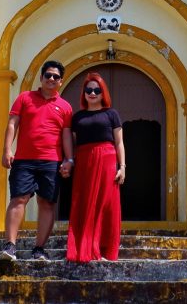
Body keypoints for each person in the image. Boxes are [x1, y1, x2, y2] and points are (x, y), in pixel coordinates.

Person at [0, 61, 74, 261]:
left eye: (56, 77)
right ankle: (10, 246)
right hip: (24, 159)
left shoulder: (65, 107)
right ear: (41, 78)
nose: (51, 79)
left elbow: (66, 135)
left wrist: (69, 159)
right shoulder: (25, 98)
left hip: (51, 161)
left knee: (47, 203)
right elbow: (12, 124)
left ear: (61, 81)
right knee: (19, 199)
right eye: (48, 75)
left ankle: (39, 248)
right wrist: (7, 150)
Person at [66, 72, 125, 262]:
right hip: (84, 161)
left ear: (103, 93)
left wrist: (122, 166)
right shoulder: (77, 117)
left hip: (107, 160)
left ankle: (105, 249)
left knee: (106, 204)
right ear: (83, 93)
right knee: (83, 202)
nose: (92, 93)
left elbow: (119, 143)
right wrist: (69, 161)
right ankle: (84, 247)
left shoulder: (111, 114)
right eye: (88, 90)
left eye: (97, 90)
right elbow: (72, 143)